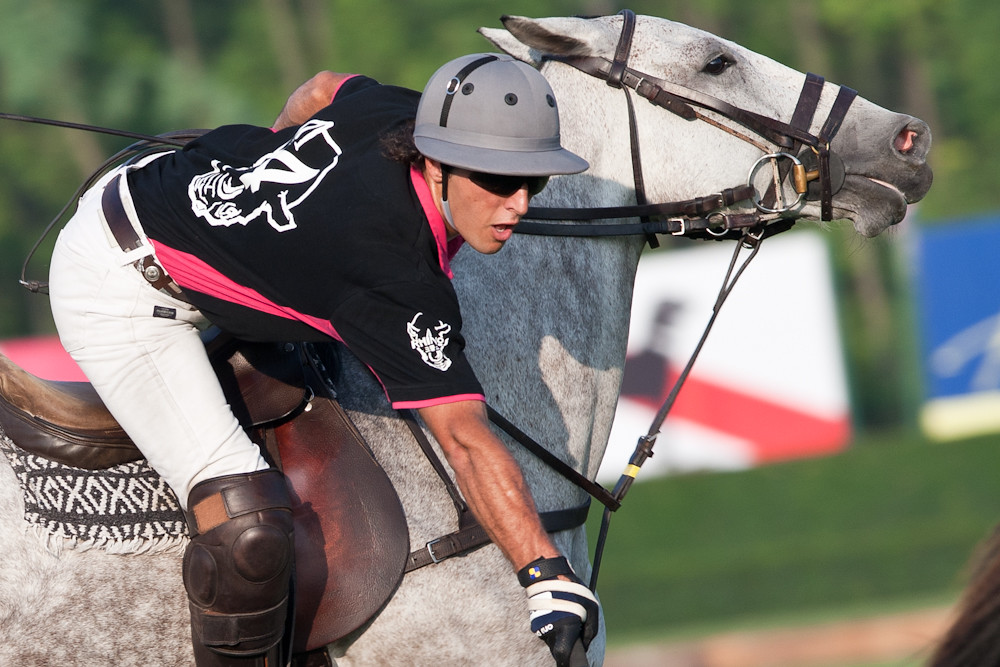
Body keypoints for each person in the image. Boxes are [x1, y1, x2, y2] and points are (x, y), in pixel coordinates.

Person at [48, 53, 599, 667]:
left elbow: (320, 90)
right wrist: (544, 573)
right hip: (117, 283)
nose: (519, 205)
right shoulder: (391, 276)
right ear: (436, 163)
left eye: (533, 183)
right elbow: (465, 441)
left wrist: (278, 162)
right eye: (498, 183)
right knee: (246, 527)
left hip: (163, 184)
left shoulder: (404, 113)